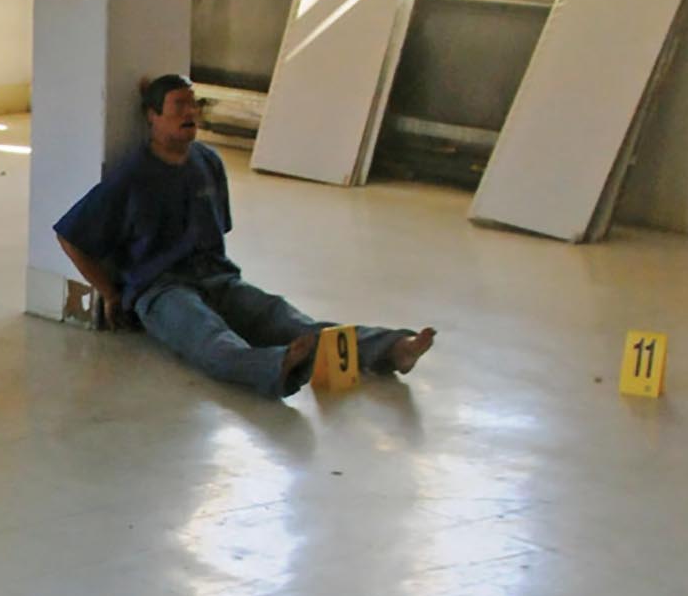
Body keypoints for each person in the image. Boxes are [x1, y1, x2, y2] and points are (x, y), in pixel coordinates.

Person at [55, 74, 434, 399]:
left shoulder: (208, 163)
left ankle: (392, 350)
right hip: (162, 290)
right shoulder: (132, 177)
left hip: (217, 277)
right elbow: (71, 235)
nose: (189, 114)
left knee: (286, 319)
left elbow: (218, 228)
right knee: (210, 340)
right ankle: (277, 367)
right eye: (177, 106)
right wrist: (110, 292)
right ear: (152, 116)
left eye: (193, 105)